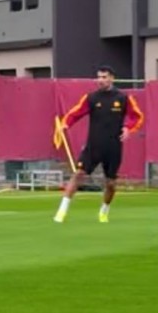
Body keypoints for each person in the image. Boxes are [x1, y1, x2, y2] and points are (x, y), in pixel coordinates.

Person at [53, 65, 145, 224]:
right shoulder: (91, 98)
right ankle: (62, 211)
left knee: (110, 184)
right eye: (98, 77)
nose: (100, 80)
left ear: (111, 78)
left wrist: (128, 128)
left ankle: (104, 210)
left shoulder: (123, 98)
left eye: (104, 77)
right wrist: (65, 123)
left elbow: (137, 117)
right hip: (93, 146)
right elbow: (75, 113)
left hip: (113, 148)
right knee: (78, 174)